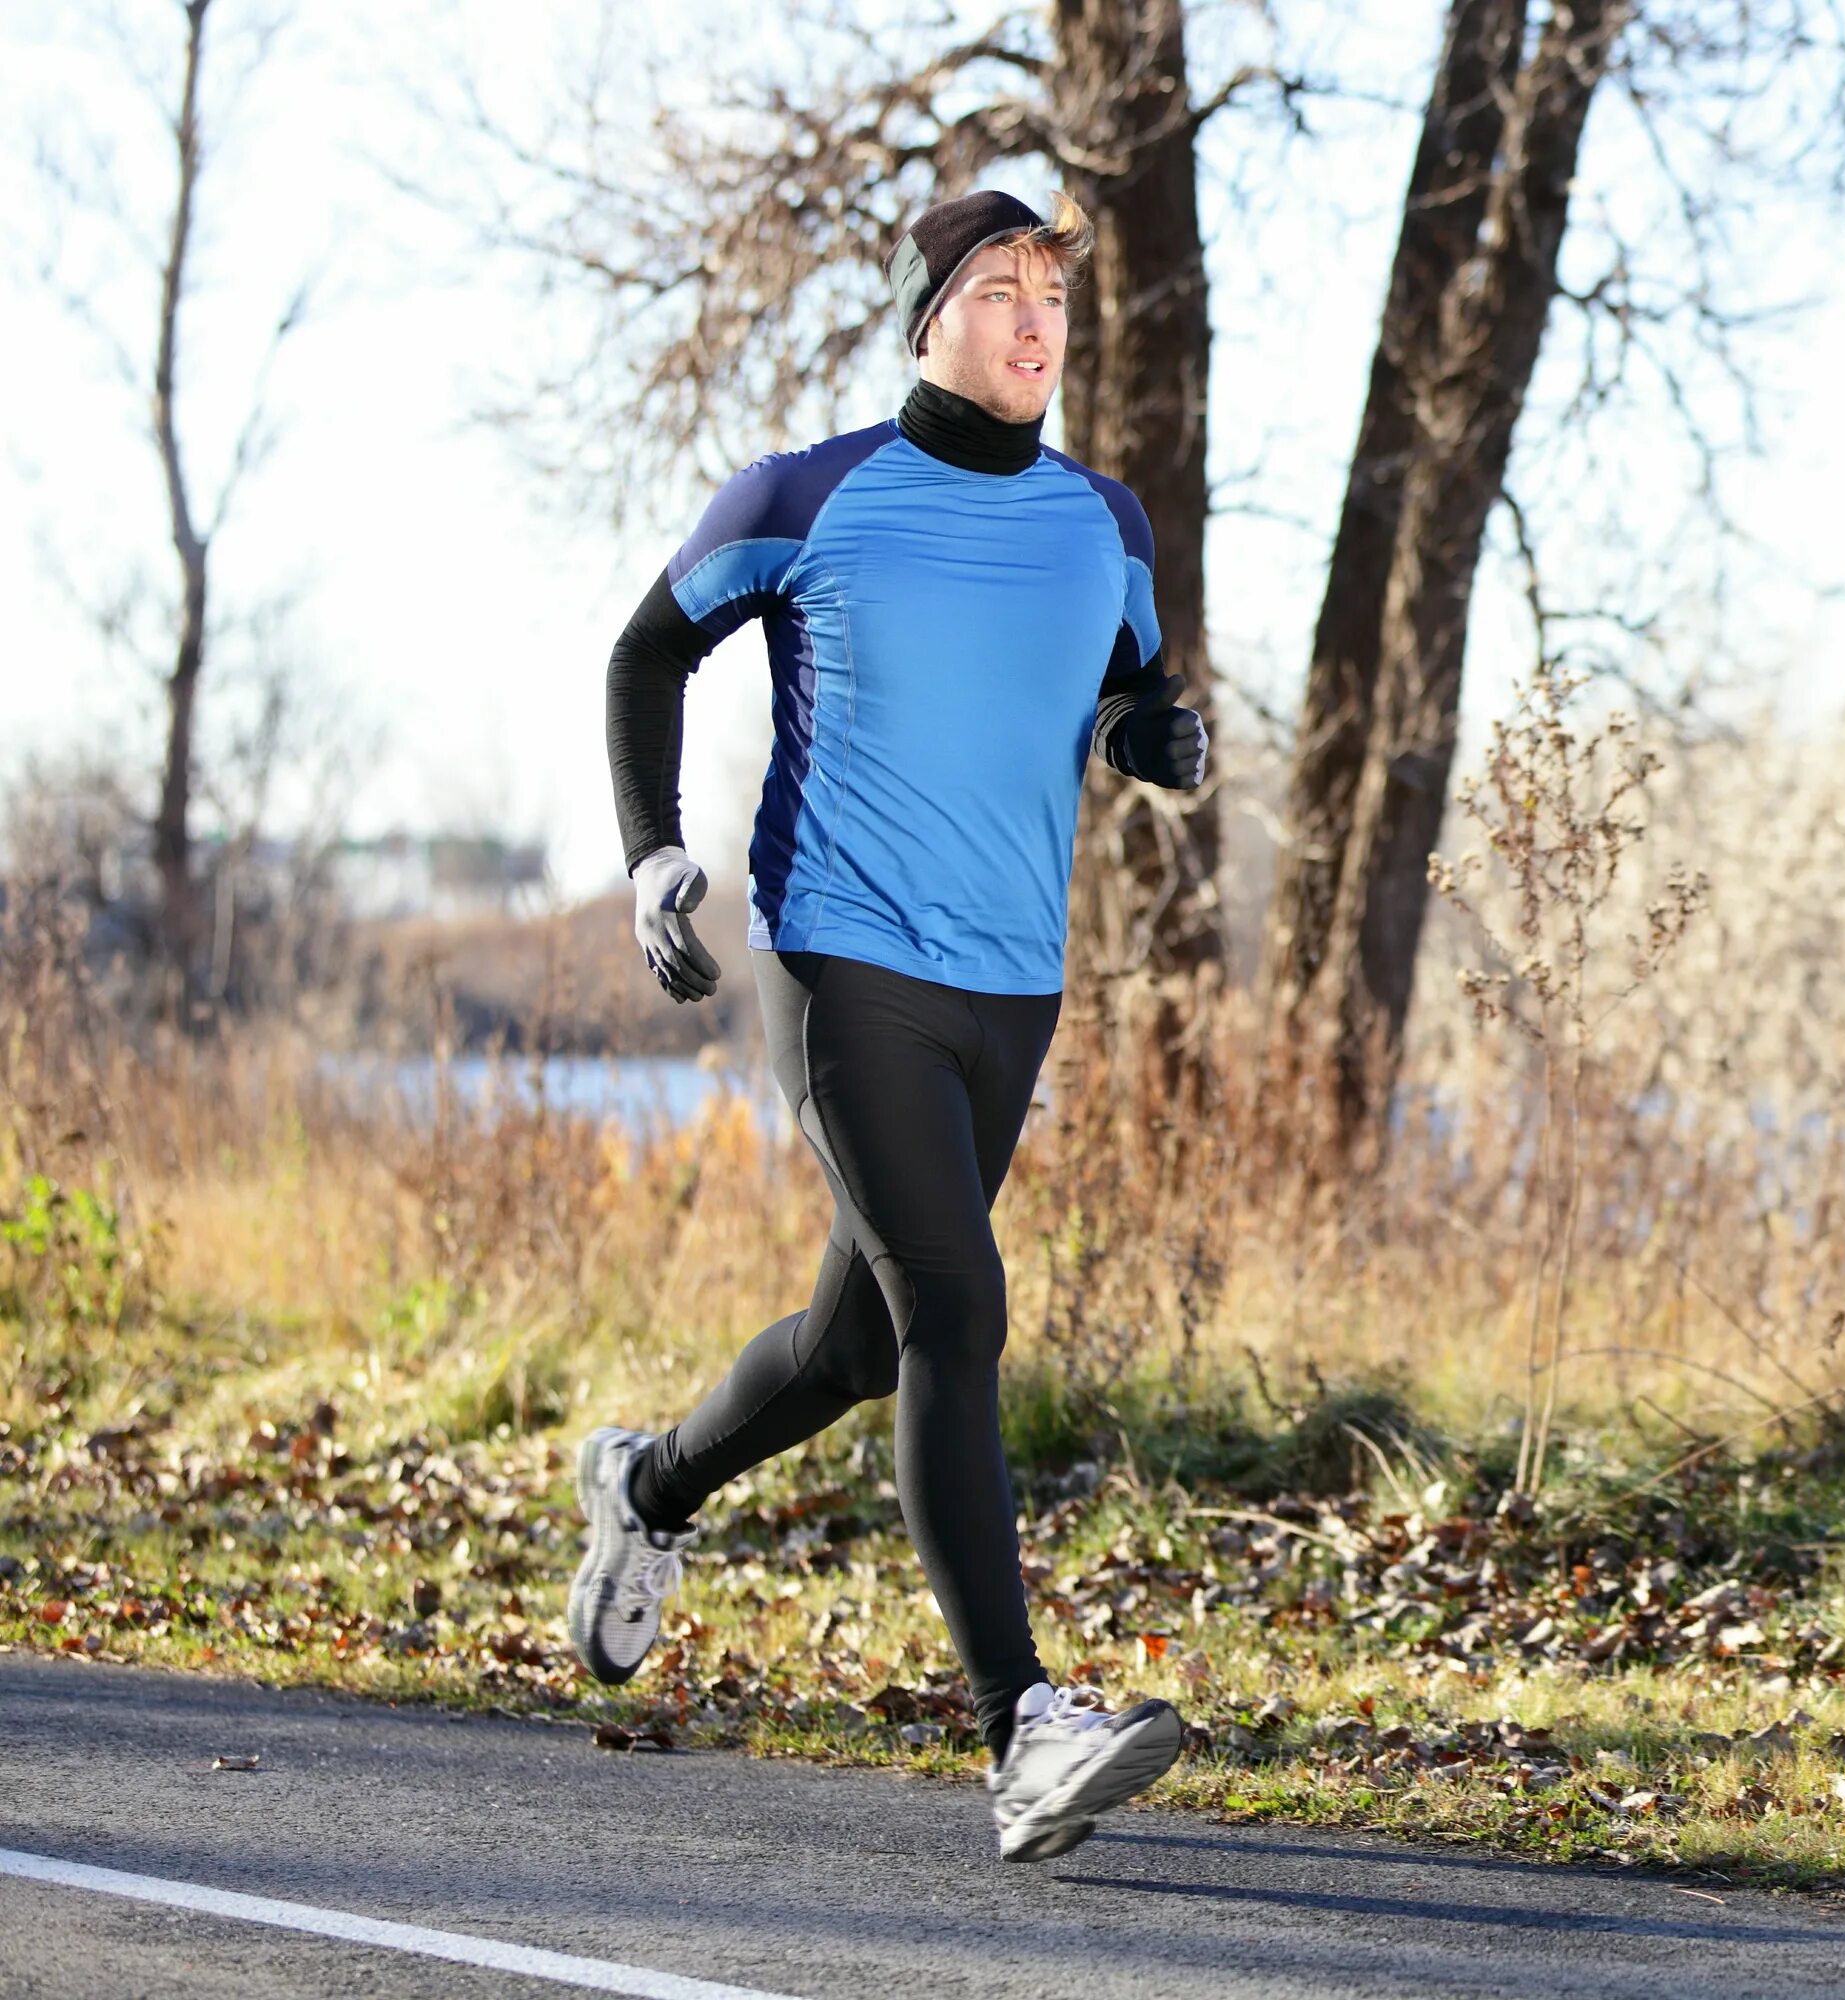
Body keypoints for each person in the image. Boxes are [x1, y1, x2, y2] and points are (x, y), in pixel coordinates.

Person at [567, 187, 1207, 1864]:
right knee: (959, 1308)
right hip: (847, 968)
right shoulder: (810, 496)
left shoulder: (1107, 526)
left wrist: (1157, 738)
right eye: (999, 290)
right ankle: (1023, 1732)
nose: (1035, 321)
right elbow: (647, 655)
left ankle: (649, 1491)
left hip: (1015, 986)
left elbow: (1137, 683)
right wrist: (653, 856)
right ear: (928, 320)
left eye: (1054, 294)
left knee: (863, 1346)